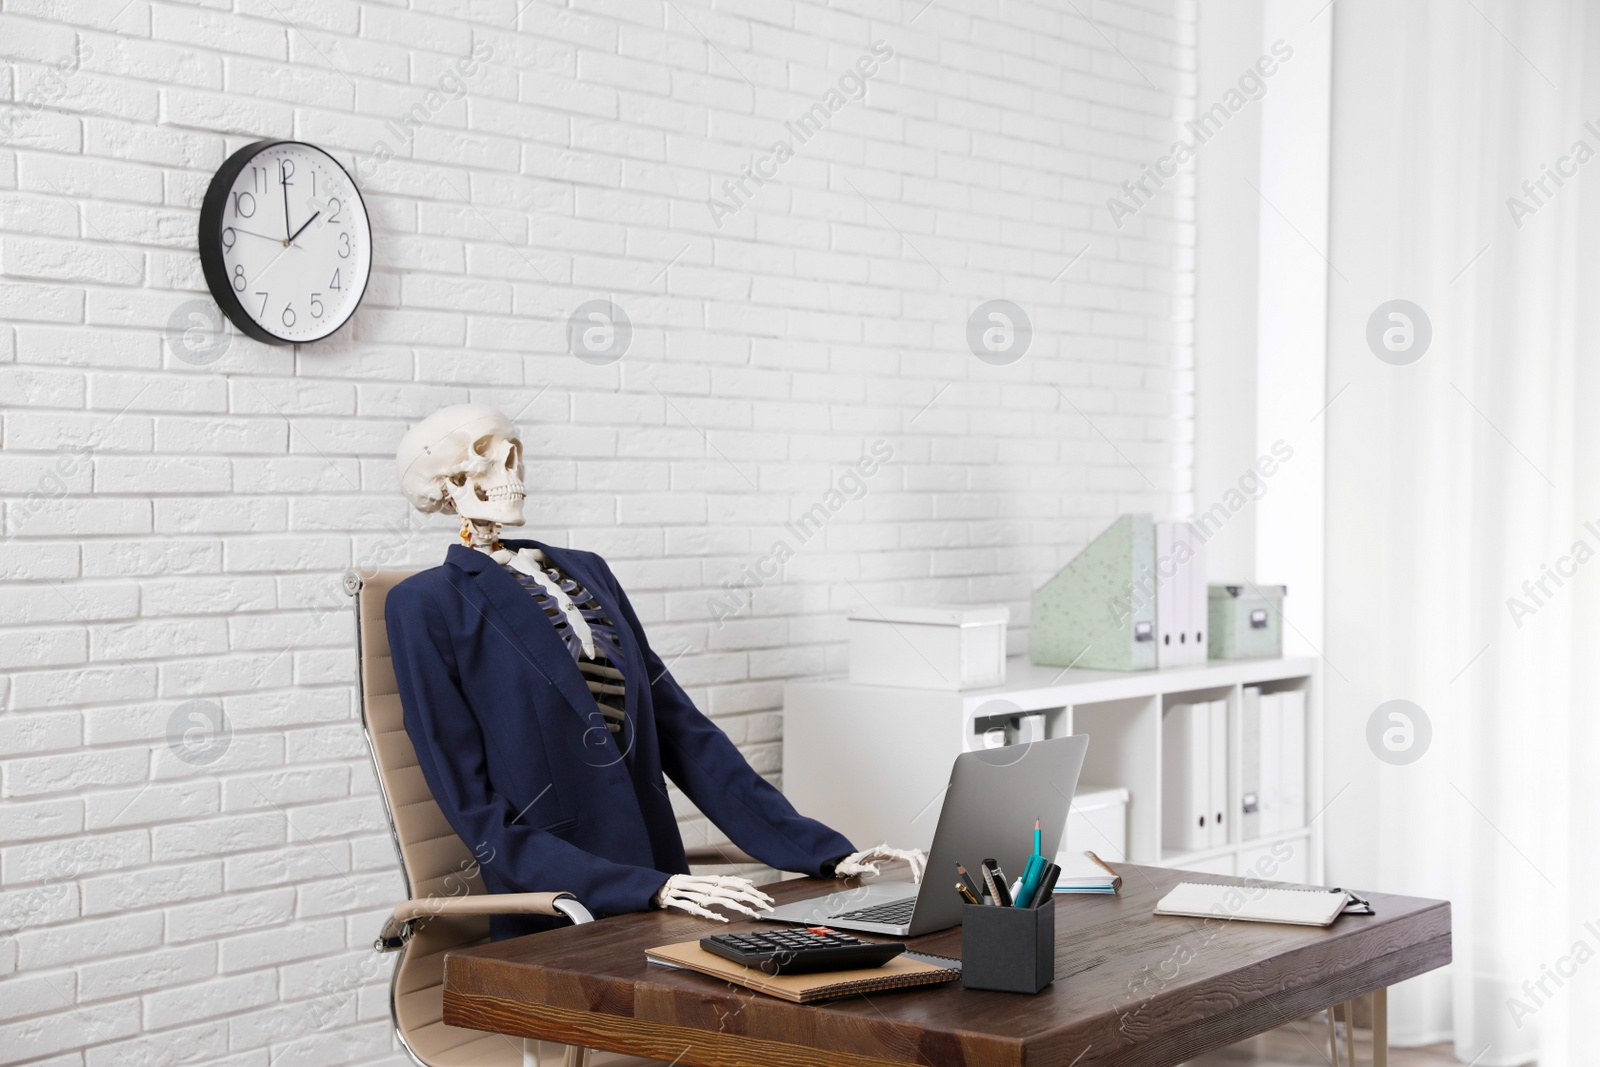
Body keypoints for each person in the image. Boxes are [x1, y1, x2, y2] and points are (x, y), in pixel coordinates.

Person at [386, 405, 924, 939]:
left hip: (665, 888)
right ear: (451, 484)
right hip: (561, 912)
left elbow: (684, 734)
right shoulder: (426, 604)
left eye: (515, 459)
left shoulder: (586, 569)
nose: (514, 476)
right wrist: (640, 886)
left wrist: (825, 853)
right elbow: (478, 814)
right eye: (488, 464)